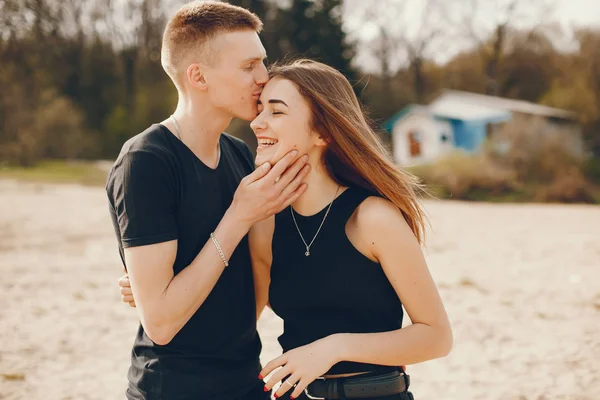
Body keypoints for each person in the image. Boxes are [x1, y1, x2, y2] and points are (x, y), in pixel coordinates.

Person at [120, 59, 453, 400]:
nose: (257, 122)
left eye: (276, 113)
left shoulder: (372, 218)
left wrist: (332, 349)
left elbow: (436, 337)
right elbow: (242, 308)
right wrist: (155, 287)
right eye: (260, 109)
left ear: (322, 132)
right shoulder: (266, 220)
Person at [105, 2, 310, 400]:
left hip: (246, 381)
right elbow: (161, 324)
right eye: (249, 66)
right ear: (198, 76)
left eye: (262, 63)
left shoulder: (238, 154)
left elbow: (259, 275)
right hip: (173, 388)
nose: (264, 78)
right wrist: (240, 215)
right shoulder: (146, 162)